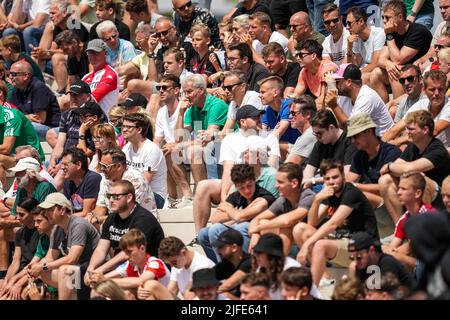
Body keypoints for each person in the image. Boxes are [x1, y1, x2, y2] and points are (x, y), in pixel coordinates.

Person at [295, 159, 380, 286]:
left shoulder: (351, 193)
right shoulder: (329, 193)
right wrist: (317, 199)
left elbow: (333, 224)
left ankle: (311, 291)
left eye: (335, 177)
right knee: (300, 229)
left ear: (343, 176)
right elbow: (312, 223)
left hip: (361, 246)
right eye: (327, 178)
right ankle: (325, 276)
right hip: (343, 242)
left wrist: (307, 245)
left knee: (320, 245)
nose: (331, 182)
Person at [84, 180, 164, 287]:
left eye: (116, 196)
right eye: (109, 196)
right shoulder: (112, 218)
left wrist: (100, 270)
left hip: (147, 269)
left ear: (129, 197)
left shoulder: (143, 219)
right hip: (125, 267)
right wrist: (91, 268)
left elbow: (128, 253)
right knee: (88, 280)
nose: (111, 200)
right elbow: (101, 249)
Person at [379, 110, 450, 223]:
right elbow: (398, 165)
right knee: (385, 180)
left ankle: (422, 232)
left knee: (420, 180)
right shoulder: (413, 146)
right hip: (418, 198)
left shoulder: (438, 150)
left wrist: (388, 166)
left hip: (441, 202)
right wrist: (393, 167)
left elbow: (409, 168)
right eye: (407, 128)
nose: (407, 132)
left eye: (411, 129)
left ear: (425, 130)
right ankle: (401, 228)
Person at [28, 192, 100, 300]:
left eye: (50, 210)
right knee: (43, 272)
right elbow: (50, 257)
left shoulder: (78, 225)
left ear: (62, 210)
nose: (46, 214)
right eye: (46, 210)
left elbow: (72, 259)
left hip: (93, 269)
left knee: (66, 270)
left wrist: (43, 266)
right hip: (78, 271)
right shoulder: (57, 229)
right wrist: (35, 267)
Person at [198, 163, 276, 262]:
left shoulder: (264, 196)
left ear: (254, 180)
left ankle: (245, 267)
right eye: (242, 188)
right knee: (204, 233)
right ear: (236, 186)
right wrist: (237, 213)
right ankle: (221, 266)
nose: (247, 191)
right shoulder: (236, 196)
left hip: (261, 231)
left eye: (249, 185)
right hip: (241, 228)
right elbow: (215, 219)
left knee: (242, 226)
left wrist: (229, 209)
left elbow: (240, 217)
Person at [369, 0, 432, 102]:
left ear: (400, 17)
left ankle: (398, 108)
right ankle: (384, 110)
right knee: (376, 73)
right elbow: (380, 60)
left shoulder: (418, 31)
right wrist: (388, 64)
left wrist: (389, 35)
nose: (384, 21)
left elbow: (398, 59)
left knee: (397, 69)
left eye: (388, 17)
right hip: (403, 72)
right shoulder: (393, 31)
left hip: (418, 75)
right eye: (383, 17)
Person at [248, 163, 316, 256]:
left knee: (286, 227)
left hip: (315, 241)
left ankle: (280, 263)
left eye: (280, 182)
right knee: (263, 222)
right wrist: (255, 234)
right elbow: (256, 219)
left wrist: (259, 228)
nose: (276, 186)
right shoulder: (283, 200)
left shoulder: (308, 196)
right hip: (295, 241)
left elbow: (288, 220)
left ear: (294, 183)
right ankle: (269, 263)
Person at [88, 229, 170, 295]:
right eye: (125, 252)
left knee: (145, 291)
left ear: (142, 248)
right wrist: (96, 279)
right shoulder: (130, 264)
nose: (126, 256)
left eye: (129, 252)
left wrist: (104, 280)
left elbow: (139, 281)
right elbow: (106, 277)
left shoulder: (154, 263)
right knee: (98, 290)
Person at [179, 74, 228, 182]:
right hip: (209, 144)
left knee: (194, 150)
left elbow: (208, 137)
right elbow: (180, 137)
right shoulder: (192, 108)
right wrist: (181, 113)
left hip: (223, 143)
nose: (186, 96)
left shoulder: (217, 105)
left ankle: (207, 191)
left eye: (189, 91)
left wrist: (179, 145)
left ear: (201, 90)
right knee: (171, 152)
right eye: (184, 92)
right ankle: (189, 195)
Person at [345, 113, 401, 208]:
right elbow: (348, 181)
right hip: (372, 204)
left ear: (369, 131)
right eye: (351, 138)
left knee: (356, 195)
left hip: (391, 204)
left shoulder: (391, 153)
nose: (353, 141)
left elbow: (386, 186)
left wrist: (355, 186)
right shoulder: (359, 155)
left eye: (355, 136)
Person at [384, 70, 450, 149]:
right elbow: (394, 130)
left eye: (440, 89)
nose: (436, 93)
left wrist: (397, 141)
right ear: (424, 90)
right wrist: (381, 146)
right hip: (423, 148)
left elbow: (434, 131)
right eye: (432, 90)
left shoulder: (448, 105)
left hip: (442, 152)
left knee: (403, 147)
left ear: (445, 89)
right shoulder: (421, 104)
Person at [383, 171, 435, 271]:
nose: (398, 192)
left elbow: (408, 249)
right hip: (418, 263)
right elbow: (392, 246)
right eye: (398, 188)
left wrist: (394, 252)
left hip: (433, 265)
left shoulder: (429, 215)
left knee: (394, 257)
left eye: (403, 189)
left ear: (417, 193)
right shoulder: (404, 220)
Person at [325, 63, 394, 136]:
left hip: (383, 141)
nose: (335, 84)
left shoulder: (366, 97)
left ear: (348, 82)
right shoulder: (345, 97)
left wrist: (334, 106)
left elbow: (353, 129)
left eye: (337, 81)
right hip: (364, 141)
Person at [92, 149, 157, 221]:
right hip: (115, 222)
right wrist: (91, 217)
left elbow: (128, 212)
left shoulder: (135, 179)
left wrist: (99, 219)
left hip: (141, 223)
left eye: (105, 166)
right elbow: (101, 207)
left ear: (119, 166)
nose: (101, 169)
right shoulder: (106, 178)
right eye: (101, 165)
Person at [302, 108, 357, 188]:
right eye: (315, 134)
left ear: (331, 127)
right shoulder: (320, 144)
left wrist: (313, 181)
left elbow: (346, 175)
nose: (317, 137)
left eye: (319, 134)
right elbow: (309, 171)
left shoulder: (349, 142)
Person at [122, 113, 167, 209]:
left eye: (129, 127)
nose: (124, 130)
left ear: (139, 130)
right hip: (132, 192)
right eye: (123, 126)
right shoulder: (126, 148)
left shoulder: (151, 150)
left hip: (154, 195)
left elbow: (145, 182)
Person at [8, 60, 61, 143]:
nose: (10, 77)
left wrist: (22, 117)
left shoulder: (39, 88)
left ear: (26, 76)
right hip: (30, 124)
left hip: (49, 128)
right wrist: (26, 117)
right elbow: (12, 115)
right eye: (9, 74)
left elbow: (39, 119)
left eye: (14, 74)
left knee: (22, 126)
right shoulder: (16, 90)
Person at [0, 197, 39, 300]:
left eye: (22, 214)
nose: (17, 218)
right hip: (20, 273)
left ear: (32, 213)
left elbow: (36, 265)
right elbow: (15, 261)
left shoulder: (41, 232)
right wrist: (7, 280)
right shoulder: (20, 233)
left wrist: (15, 283)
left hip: (33, 275)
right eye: (17, 213)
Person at [348, 231, 414, 289]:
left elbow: (386, 295)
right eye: (352, 258)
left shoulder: (387, 263)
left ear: (371, 250)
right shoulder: (361, 265)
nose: (356, 261)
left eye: (359, 257)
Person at [252, 232, 302, 300]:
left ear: (272, 256)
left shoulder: (291, 268)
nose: (255, 255)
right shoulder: (261, 268)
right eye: (255, 252)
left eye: (259, 252)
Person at [260, 76, 300, 156]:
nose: (259, 95)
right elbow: (262, 135)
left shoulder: (289, 104)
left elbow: (278, 134)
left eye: (263, 92)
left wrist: (272, 133)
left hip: (298, 149)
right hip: (284, 152)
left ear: (275, 92)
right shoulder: (268, 109)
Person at [344, 6, 385, 82]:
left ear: (361, 21)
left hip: (378, 73)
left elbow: (375, 63)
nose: (347, 27)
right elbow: (355, 65)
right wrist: (349, 48)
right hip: (365, 72)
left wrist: (355, 75)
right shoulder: (356, 37)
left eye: (349, 23)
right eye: (346, 23)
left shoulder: (379, 34)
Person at [292, 39, 337, 107]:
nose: (298, 58)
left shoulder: (327, 68)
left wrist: (303, 107)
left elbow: (323, 99)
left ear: (313, 56)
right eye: (297, 55)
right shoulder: (304, 71)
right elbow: (296, 95)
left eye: (301, 55)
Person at [61, 147, 102, 218]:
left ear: (78, 165)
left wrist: (62, 218)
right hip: (75, 220)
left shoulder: (92, 179)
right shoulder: (68, 181)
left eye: (65, 164)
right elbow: (67, 210)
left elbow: (86, 213)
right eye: (62, 164)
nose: (62, 167)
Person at [82, 39, 120, 116]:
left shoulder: (110, 74)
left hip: (104, 123)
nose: (92, 56)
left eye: (95, 53)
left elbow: (91, 100)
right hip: (87, 120)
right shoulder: (86, 77)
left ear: (105, 53)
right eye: (90, 53)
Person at [211, 228, 252, 299]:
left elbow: (226, 286)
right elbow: (206, 276)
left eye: (221, 247)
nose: (218, 250)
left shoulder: (250, 262)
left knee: (223, 295)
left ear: (234, 247)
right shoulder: (226, 263)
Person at [220, 70, 263, 134]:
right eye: (224, 88)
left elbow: (250, 131)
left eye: (229, 87)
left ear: (242, 86)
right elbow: (226, 132)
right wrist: (210, 138)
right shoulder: (233, 103)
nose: (226, 91)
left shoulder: (253, 98)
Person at [286, 95, 318, 166]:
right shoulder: (306, 134)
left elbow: (288, 169)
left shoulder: (310, 134)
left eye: (293, 113)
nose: (290, 117)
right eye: (289, 113)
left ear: (307, 114)